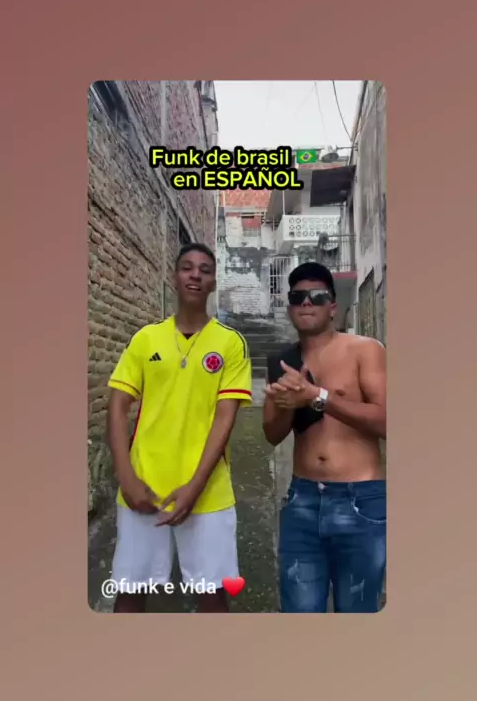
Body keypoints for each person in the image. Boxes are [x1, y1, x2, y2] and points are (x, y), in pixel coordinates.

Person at [106, 243, 252, 613]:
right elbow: (118, 405)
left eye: (205, 269)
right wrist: (126, 476)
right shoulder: (146, 339)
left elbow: (225, 418)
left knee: (213, 596)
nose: (195, 275)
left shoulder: (230, 343)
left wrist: (195, 487)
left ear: (213, 282)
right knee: (129, 593)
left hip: (208, 492)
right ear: (174, 277)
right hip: (144, 486)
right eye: (187, 267)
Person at [263, 262, 386, 613]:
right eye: (298, 296)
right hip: (302, 500)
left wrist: (317, 396)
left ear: (332, 306)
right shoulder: (283, 362)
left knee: (357, 615)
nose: (307, 302)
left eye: (317, 296)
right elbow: (272, 434)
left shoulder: (365, 350)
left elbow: (387, 421)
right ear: (290, 307)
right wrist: (288, 404)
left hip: (360, 500)